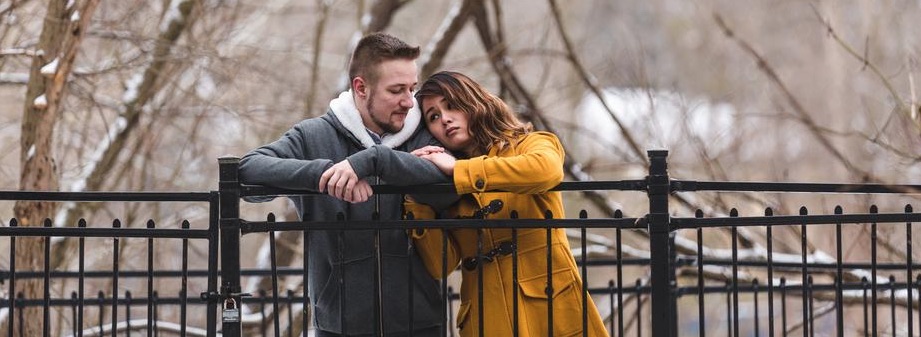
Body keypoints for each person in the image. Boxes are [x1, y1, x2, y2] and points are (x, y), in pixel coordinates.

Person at [238, 32, 451, 337]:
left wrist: (384, 163)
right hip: (337, 327)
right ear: (361, 88)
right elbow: (247, 170)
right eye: (396, 90)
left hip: (422, 325)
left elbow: (452, 190)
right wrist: (325, 176)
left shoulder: (425, 135)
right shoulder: (314, 136)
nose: (409, 101)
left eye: (412, 88)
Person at [404, 71, 609, 336]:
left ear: (474, 102)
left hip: (551, 313)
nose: (444, 118)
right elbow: (441, 265)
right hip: (486, 321)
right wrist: (415, 197)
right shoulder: (445, 187)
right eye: (433, 116)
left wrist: (461, 171)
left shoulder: (531, 143)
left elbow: (547, 170)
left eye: (452, 105)